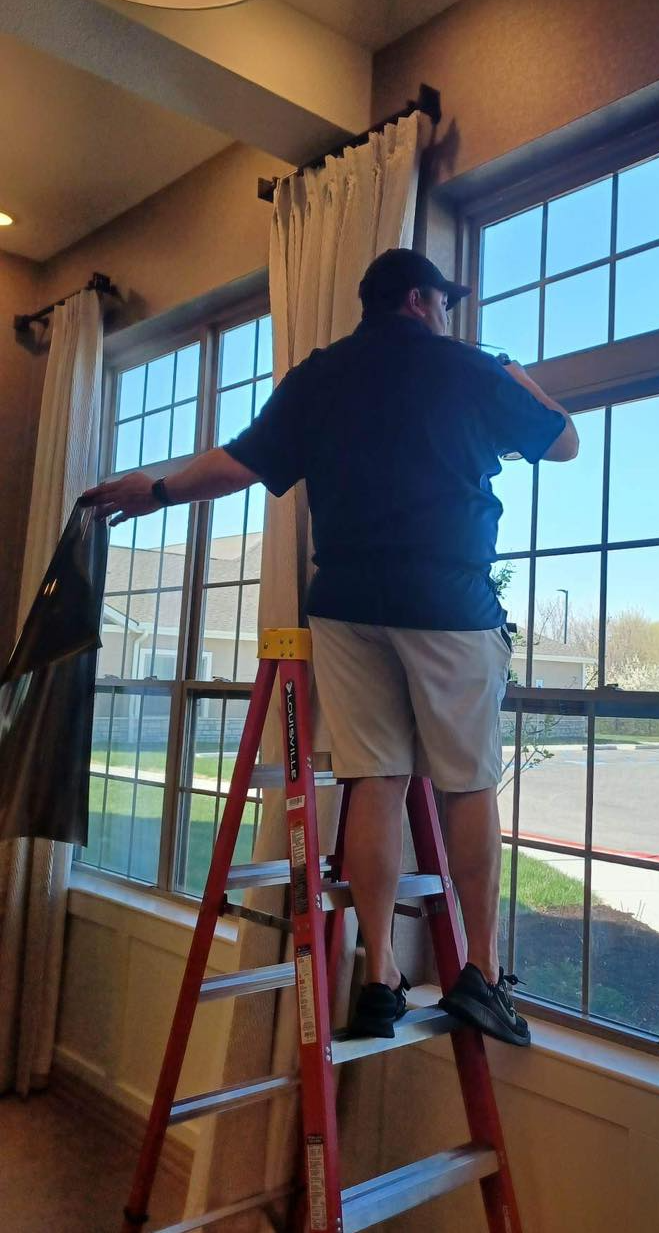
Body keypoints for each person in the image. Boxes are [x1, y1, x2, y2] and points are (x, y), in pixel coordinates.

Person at [82, 248, 578, 1048]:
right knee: (468, 782)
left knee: (373, 778)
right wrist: (522, 377)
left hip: (345, 605)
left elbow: (239, 463)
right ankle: (479, 974)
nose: (448, 313)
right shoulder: (473, 369)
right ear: (420, 300)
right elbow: (564, 444)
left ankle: (378, 974)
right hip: (447, 601)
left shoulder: (322, 373)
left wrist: (160, 489)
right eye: (443, 301)